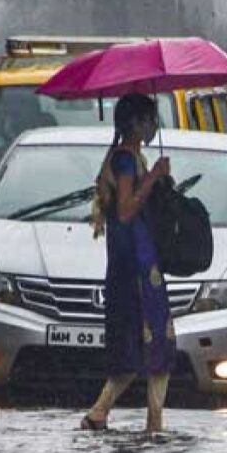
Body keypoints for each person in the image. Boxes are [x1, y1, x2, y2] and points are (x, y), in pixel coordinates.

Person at [81, 93, 173, 433]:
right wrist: (152, 179)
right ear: (135, 122)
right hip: (132, 266)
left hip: (143, 263)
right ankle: (104, 413)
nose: (153, 126)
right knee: (140, 346)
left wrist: (159, 178)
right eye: (150, 119)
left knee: (156, 345)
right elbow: (125, 210)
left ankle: (150, 421)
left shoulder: (136, 158)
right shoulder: (124, 161)